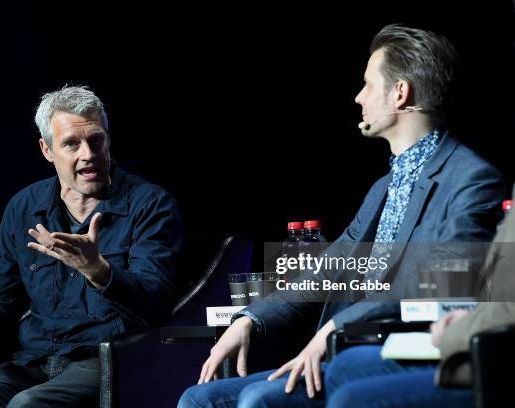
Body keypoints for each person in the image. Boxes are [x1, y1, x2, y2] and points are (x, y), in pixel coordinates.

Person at [178, 24, 505, 408]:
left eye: (368, 84)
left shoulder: (472, 180)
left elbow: (433, 284)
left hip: (397, 357)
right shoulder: (383, 187)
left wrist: (335, 327)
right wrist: (252, 318)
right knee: (199, 399)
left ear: (400, 93)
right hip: (344, 348)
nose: (358, 97)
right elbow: (325, 271)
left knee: (257, 401)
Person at [0, 85, 183, 408]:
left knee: (27, 405)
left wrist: (98, 270)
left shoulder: (150, 204)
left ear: (108, 140)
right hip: (36, 360)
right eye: (71, 144)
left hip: (108, 361)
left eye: (96, 140)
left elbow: (156, 303)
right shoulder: (24, 207)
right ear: (47, 150)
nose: (88, 154)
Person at [324, 184, 515, 408]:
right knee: (345, 365)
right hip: (476, 332)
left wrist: (458, 330)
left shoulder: (471, 178)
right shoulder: (382, 186)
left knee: (349, 398)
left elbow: (429, 279)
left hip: (491, 357)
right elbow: (327, 265)